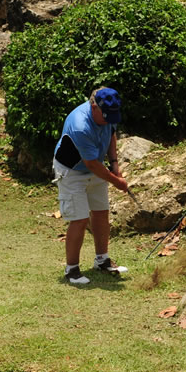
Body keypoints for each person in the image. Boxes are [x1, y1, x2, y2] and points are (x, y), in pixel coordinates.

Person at [53, 87, 129, 285]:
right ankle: (72, 270)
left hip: (96, 167)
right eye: (106, 116)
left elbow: (111, 134)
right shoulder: (80, 125)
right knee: (79, 219)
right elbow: (92, 164)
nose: (109, 120)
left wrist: (115, 164)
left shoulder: (108, 114)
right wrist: (116, 181)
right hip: (72, 171)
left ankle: (102, 260)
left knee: (101, 212)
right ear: (94, 107)